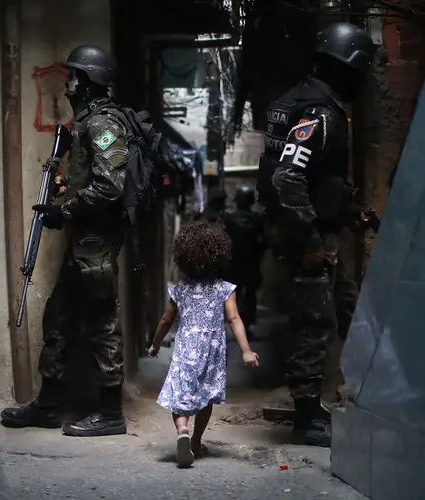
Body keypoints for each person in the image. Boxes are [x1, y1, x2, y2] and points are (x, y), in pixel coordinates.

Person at [0, 45, 132, 437]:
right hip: (83, 243)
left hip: (97, 242)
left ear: (89, 81)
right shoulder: (86, 122)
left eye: (74, 76)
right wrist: (65, 184)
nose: (68, 84)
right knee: (57, 318)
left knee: (102, 323)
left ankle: (111, 414)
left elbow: (111, 186)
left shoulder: (103, 125)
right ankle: (49, 404)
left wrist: (67, 210)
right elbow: (92, 178)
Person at [257, 22, 375, 447]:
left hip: (315, 229)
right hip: (306, 237)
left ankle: (367, 398)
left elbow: (315, 179)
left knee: (346, 308)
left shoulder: (299, 101)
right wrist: (309, 239)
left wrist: (348, 211)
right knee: (313, 322)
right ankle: (307, 418)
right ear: (347, 67)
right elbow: (290, 178)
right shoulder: (321, 113)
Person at [148, 220, 260, 468]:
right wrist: (245, 350)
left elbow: (166, 320)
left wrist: (155, 345)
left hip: (186, 347)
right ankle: (196, 440)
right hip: (212, 350)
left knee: (181, 394)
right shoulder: (224, 289)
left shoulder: (180, 290)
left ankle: (182, 431)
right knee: (206, 396)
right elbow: (233, 319)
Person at [222, 185, 266, 337]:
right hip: (251, 262)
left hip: (234, 263)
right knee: (250, 294)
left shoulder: (228, 219)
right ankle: (246, 324)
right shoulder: (257, 219)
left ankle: (236, 322)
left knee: (235, 294)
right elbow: (264, 241)